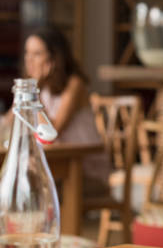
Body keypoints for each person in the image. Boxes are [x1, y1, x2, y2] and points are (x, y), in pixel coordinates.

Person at [23, 26, 110, 193]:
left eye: (37, 54)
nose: (29, 60)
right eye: (27, 53)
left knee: (29, 187)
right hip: (57, 168)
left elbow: (51, 133)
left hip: (83, 171)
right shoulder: (41, 89)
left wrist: (34, 92)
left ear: (53, 59)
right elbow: (10, 121)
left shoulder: (75, 84)